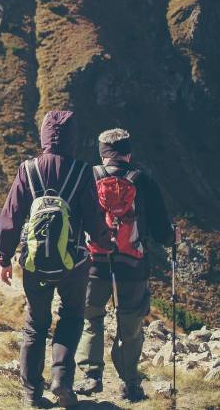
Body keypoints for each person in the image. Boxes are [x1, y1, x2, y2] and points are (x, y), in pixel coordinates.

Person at [0, 110, 113, 408]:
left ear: (44, 136)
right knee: (72, 316)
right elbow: (92, 217)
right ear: (73, 138)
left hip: (34, 263)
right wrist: (103, 242)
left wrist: (4, 258)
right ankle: (62, 380)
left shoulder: (27, 169)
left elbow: (9, 217)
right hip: (73, 263)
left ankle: (32, 392)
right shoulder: (81, 170)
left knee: (36, 323)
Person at [74, 128, 177, 402]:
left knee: (91, 318)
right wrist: (171, 236)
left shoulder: (87, 177)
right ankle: (130, 383)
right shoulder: (142, 181)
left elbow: (75, 221)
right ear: (128, 153)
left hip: (94, 262)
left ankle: (91, 375)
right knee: (130, 324)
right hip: (132, 265)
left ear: (102, 153)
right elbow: (160, 231)